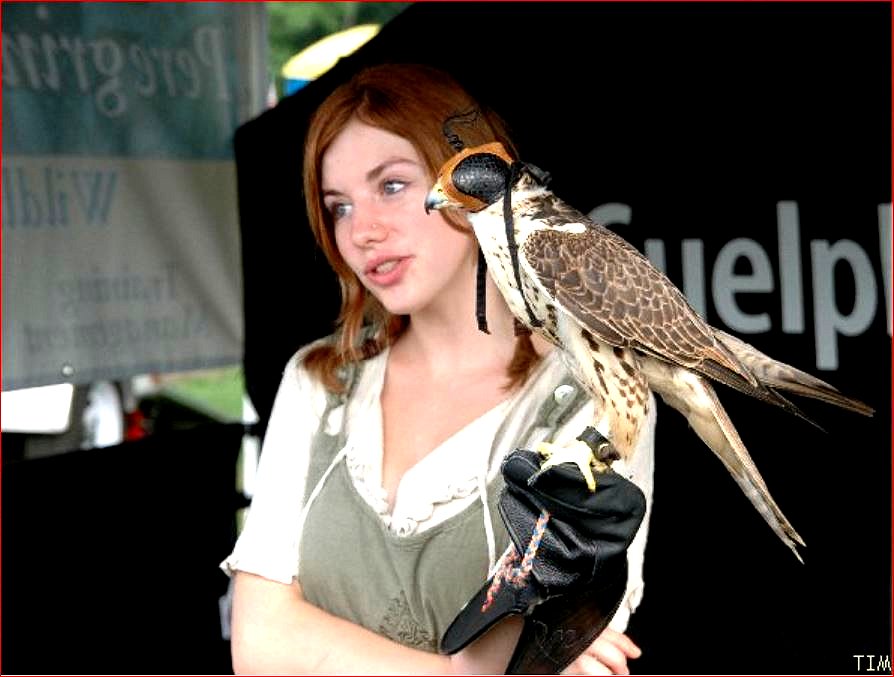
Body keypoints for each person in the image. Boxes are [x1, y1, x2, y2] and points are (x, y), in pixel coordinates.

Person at [221, 62, 656, 675]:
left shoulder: (594, 394)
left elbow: (563, 654)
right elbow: (259, 642)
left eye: (392, 185)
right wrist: (459, 670)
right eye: (339, 207)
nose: (362, 231)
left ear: (479, 177)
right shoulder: (320, 381)